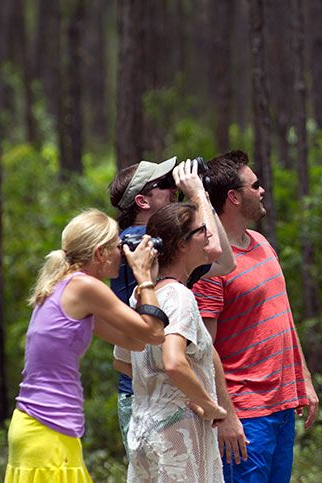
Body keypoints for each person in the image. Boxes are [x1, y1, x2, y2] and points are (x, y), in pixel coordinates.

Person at [5, 209, 167, 482]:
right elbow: (154, 333)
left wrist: (143, 290)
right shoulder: (84, 287)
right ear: (100, 253)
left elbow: (135, 343)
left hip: (37, 427)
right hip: (48, 430)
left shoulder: (63, 286)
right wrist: (144, 277)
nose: (122, 252)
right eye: (118, 246)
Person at [191, 150, 320, 483]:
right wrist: (226, 417)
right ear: (233, 197)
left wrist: (302, 379)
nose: (262, 191)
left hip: (281, 406)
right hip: (246, 416)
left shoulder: (262, 243)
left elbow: (284, 319)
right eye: (255, 185)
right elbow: (205, 350)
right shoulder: (211, 269)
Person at [108, 157, 236, 448]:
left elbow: (225, 262)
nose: (173, 189)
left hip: (170, 388)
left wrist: (201, 200)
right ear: (142, 201)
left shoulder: (162, 245)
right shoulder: (137, 241)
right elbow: (214, 248)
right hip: (150, 391)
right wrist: (197, 196)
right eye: (165, 185)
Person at [115, 203, 228, 482]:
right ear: (180, 245)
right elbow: (174, 362)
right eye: (201, 231)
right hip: (178, 437)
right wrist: (209, 404)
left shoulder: (143, 297)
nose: (209, 237)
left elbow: (121, 359)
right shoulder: (179, 296)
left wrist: (159, 388)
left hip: (144, 430)